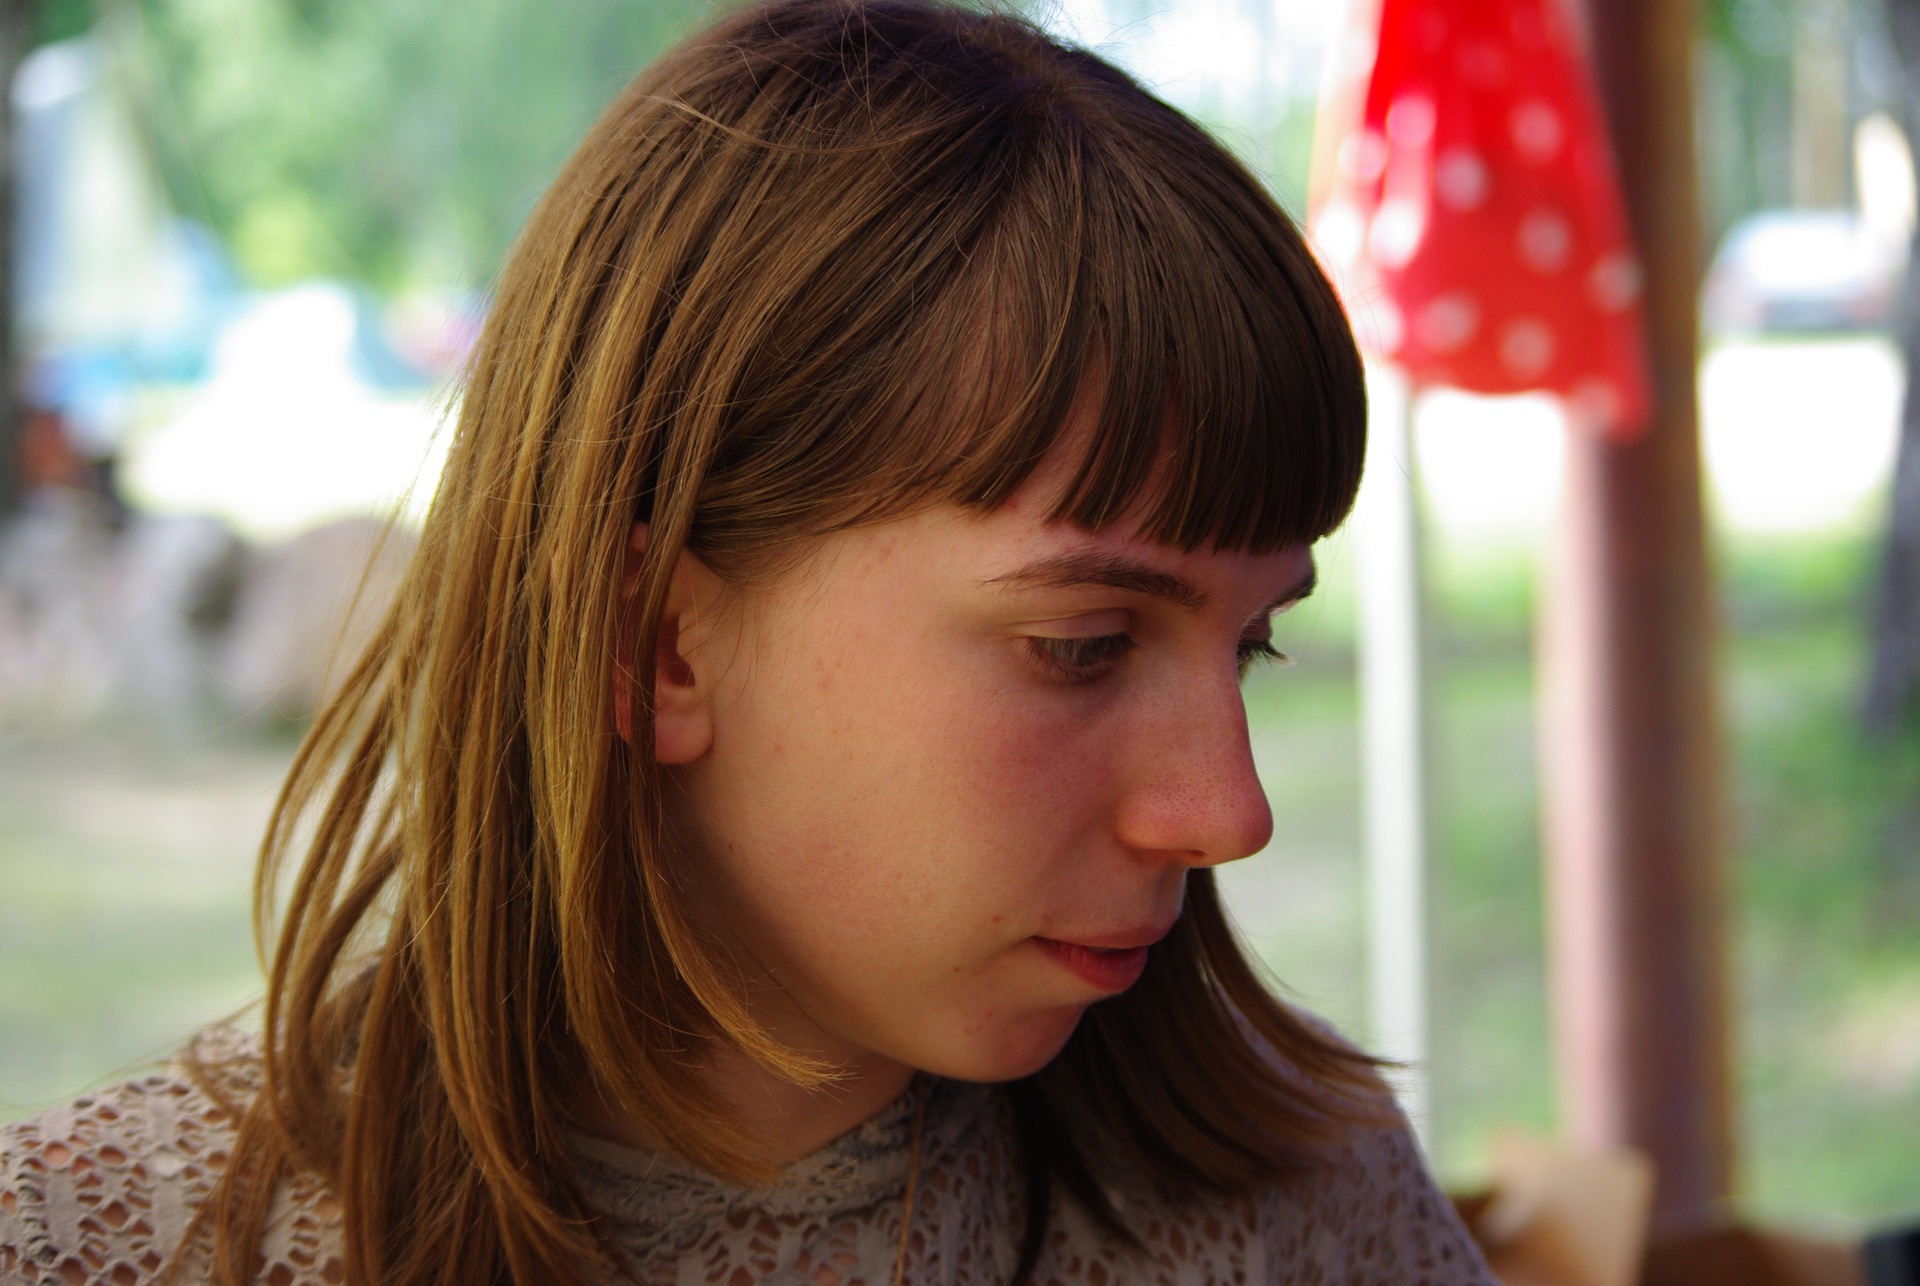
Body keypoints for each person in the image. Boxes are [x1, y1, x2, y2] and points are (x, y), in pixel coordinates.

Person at [0, 1, 1496, 1281]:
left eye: (1251, 646)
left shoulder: (1301, 1205)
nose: (1226, 813)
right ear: (653, 642)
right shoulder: (100, 1245)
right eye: (1085, 643)